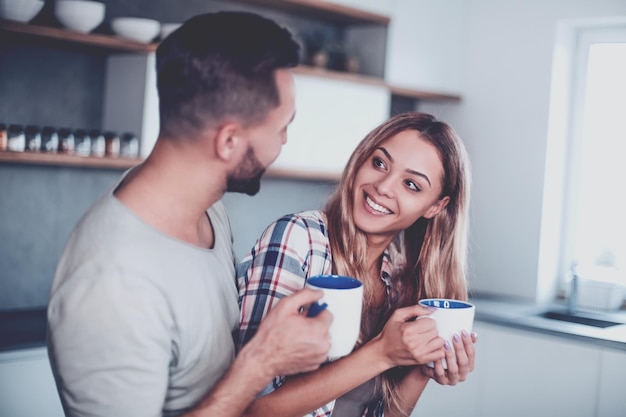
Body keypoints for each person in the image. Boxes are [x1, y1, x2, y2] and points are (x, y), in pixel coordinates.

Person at [46, 11, 332, 417]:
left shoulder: (207, 207)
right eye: (284, 126)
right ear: (229, 141)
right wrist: (263, 362)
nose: (285, 140)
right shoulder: (112, 286)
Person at [237, 111, 477, 417]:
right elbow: (248, 408)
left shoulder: (398, 279)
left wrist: (424, 366)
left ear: (435, 207)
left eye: (411, 185)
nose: (384, 186)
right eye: (379, 163)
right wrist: (381, 353)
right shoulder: (299, 239)